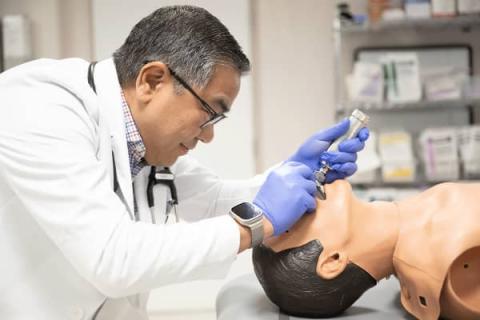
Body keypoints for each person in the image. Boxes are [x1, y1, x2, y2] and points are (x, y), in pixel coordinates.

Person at [0, 5, 368, 320]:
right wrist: (256, 226)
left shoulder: (140, 142)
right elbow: (111, 259)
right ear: (152, 80)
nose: (208, 135)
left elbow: (208, 199)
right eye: (210, 112)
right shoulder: (38, 107)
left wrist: (295, 173)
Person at [253, 180, 480, 320]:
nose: (299, 205)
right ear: (332, 260)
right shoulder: (452, 271)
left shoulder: (418, 225)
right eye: (292, 225)